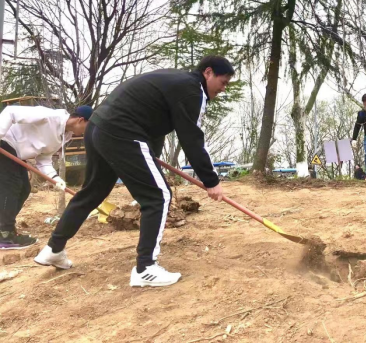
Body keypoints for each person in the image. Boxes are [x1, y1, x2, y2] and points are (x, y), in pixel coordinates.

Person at [35, 56, 234, 288]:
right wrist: (211, 180)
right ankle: (145, 268)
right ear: (208, 73)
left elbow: (154, 123)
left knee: (92, 192)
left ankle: (54, 249)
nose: (223, 88)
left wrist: (152, 157)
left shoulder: (176, 81)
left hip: (98, 127)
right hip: (121, 130)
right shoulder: (193, 90)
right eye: (223, 81)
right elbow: (192, 138)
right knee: (158, 196)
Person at [0, 105, 93, 249]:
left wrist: (56, 178)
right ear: (80, 120)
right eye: (89, 126)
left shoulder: (63, 136)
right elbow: (10, 112)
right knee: (12, 186)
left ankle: (4, 229)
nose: (87, 131)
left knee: (24, 189)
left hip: (17, 154)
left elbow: (43, 160)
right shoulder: (50, 116)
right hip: (5, 144)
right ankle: (5, 234)